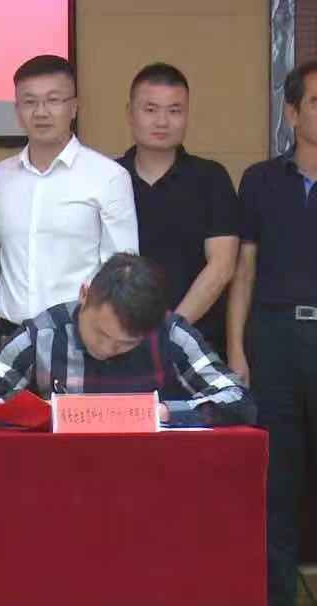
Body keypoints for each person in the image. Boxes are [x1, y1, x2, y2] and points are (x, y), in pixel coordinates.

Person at [0, 253, 255, 427]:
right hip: (58, 476)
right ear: (84, 295)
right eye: (101, 333)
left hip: (151, 474)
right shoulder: (43, 334)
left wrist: (164, 413)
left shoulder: (170, 333)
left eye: (126, 344)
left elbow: (238, 398)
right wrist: (44, 416)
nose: (108, 349)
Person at [227, 58, 317, 606]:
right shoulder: (260, 180)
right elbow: (244, 269)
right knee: (276, 479)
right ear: (292, 112)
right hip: (275, 338)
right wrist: (237, 349)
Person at [0, 55, 138, 351]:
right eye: (30, 102)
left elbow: (122, 268)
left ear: (74, 107)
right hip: (10, 336)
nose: (41, 112)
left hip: (76, 338)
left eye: (53, 100)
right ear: (17, 111)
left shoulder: (108, 176)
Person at [117, 63, 240, 355]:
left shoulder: (211, 178)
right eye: (150, 109)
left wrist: (169, 330)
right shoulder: (108, 178)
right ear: (130, 114)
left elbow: (221, 266)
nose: (162, 121)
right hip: (117, 342)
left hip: (196, 342)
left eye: (174, 110)